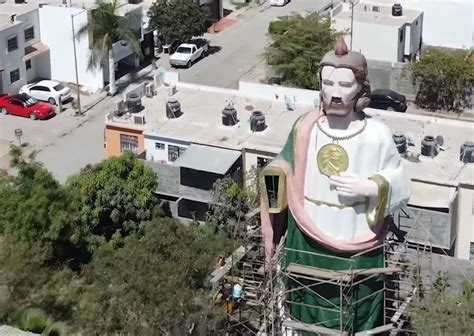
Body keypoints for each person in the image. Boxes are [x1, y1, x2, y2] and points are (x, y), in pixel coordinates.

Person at [260, 38, 411, 332]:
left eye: (344, 85)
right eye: (328, 84)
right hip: (306, 241)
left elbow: (401, 180)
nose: (335, 93)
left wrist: (371, 187)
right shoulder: (306, 127)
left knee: (355, 315)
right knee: (304, 311)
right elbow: (284, 163)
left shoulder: (376, 134)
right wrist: (275, 174)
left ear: (360, 87)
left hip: (357, 244)